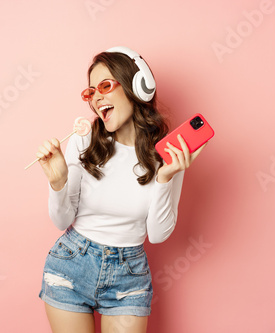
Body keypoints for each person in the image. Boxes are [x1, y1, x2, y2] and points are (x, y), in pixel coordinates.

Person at [35, 46, 206, 333]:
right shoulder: (85, 140)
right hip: (71, 265)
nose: (96, 97)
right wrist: (58, 183)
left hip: (128, 275)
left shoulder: (167, 153)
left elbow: (159, 234)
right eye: (91, 92)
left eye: (105, 85)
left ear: (137, 87)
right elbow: (62, 221)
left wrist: (165, 178)